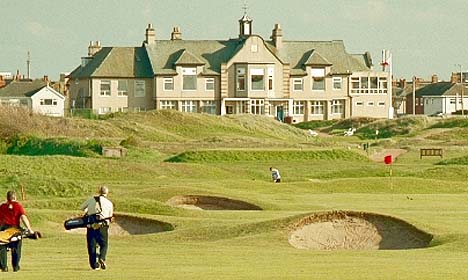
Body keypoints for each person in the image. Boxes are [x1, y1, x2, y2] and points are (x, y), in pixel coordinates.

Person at [80, 186, 113, 271]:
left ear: (98, 191)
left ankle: (94, 265)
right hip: (103, 226)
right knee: (104, 244)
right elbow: (110, 216)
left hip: (91, 226)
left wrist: (89, 211)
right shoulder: (109, 203)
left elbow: (82, 208)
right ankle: (102, 257)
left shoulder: (91, 199)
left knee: (92, 246)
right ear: (107, 193)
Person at [0, 190, 34, 272]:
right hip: (14, 229)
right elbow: (23, 217)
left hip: (3, 230)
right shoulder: (18, 206)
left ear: (7, 198)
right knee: (16, 248)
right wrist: (29, 229)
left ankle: (4, 267)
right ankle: (15, 266)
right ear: (15, 197)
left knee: (1, 247)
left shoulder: (2, 207)